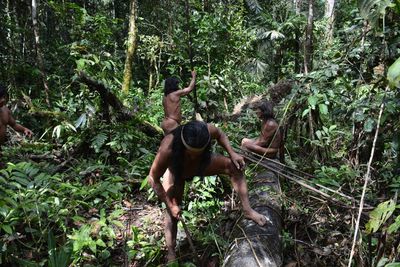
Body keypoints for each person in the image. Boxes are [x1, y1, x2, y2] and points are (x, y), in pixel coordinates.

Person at [148, 121, 267, 262]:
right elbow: (153, 179)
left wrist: (232, 153)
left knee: (234, 168)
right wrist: (171, 204)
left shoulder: (207, 130)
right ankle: (171, 252)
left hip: (202, 164)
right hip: (177, 171)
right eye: (190, 153)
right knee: (172, 209)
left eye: (197, 153)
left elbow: (220, 134)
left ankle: (247, 210)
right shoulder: (168, 147)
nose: (193, 156)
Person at [0, 84, 33, 154]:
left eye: (3, 97)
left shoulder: (5, 110)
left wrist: (24, 129)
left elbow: (14, 124)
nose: (2, 100)